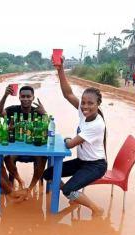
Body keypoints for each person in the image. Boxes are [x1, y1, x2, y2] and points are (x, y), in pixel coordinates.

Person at [43, 57, 107, 215]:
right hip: (82, 162)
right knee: (48, 174)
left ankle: (96, 209)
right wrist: (60, 69)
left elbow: (70, 145)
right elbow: (68, 93)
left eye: (90, 103)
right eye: (83, 103)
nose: (85, 106)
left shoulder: (97, 124)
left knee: (68, 189)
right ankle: (74, 195)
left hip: (95, 166)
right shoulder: (84, 113)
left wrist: (66, 139)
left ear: (98, 104)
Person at [0, 85, 48, 193]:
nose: (26, 99)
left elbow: (48, 131)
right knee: (6, 157)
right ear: (19, 97)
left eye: (28, 96)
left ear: (33, 97)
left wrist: (45, 113)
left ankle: (31, 187)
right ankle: (19, 180)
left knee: (43, 158)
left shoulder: (38, 112)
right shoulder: (12, 110)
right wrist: (5, 95)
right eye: (23, 96)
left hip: (34, 150)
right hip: (16, 149)